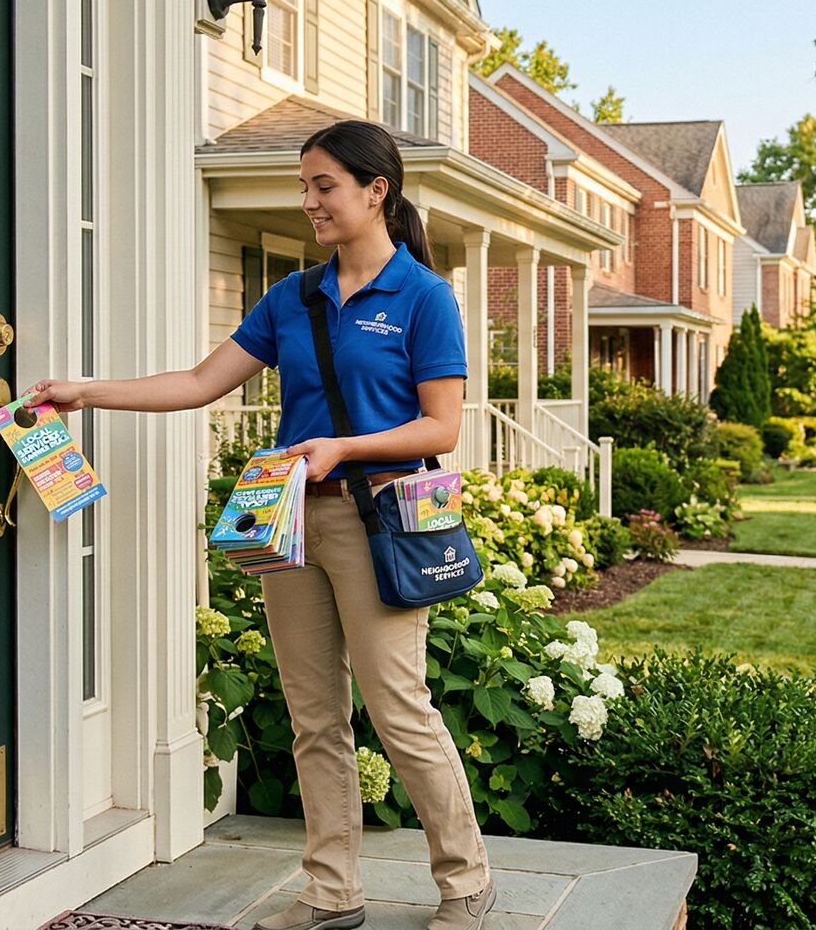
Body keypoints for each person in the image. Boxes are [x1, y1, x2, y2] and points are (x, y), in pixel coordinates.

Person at [26, 120, 494, 930]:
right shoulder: (292, 298)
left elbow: (440, 428)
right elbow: (202, 381)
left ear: (375, 190)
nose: (307, 200)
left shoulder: (423, 297)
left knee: (398, 707)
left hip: (376, 519)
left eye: (324, 186)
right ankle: (331, 890)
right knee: (313, 713)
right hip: (284, 522)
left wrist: (341, 446)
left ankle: (466, 881)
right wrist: (87, 392)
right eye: (303, 185)